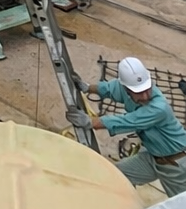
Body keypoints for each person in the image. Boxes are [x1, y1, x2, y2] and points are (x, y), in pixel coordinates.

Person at [67, 58, 186, 198]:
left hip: (176, 164)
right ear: (126, 88)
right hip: (152, 156)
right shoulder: (125, 87)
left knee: (181, 207)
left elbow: (128, 121)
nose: (145, 95)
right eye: (138, 92)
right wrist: (87, 87)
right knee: (118, 176)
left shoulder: (159, 108)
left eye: (147, 89)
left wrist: (90, 122)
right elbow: (111, 88)